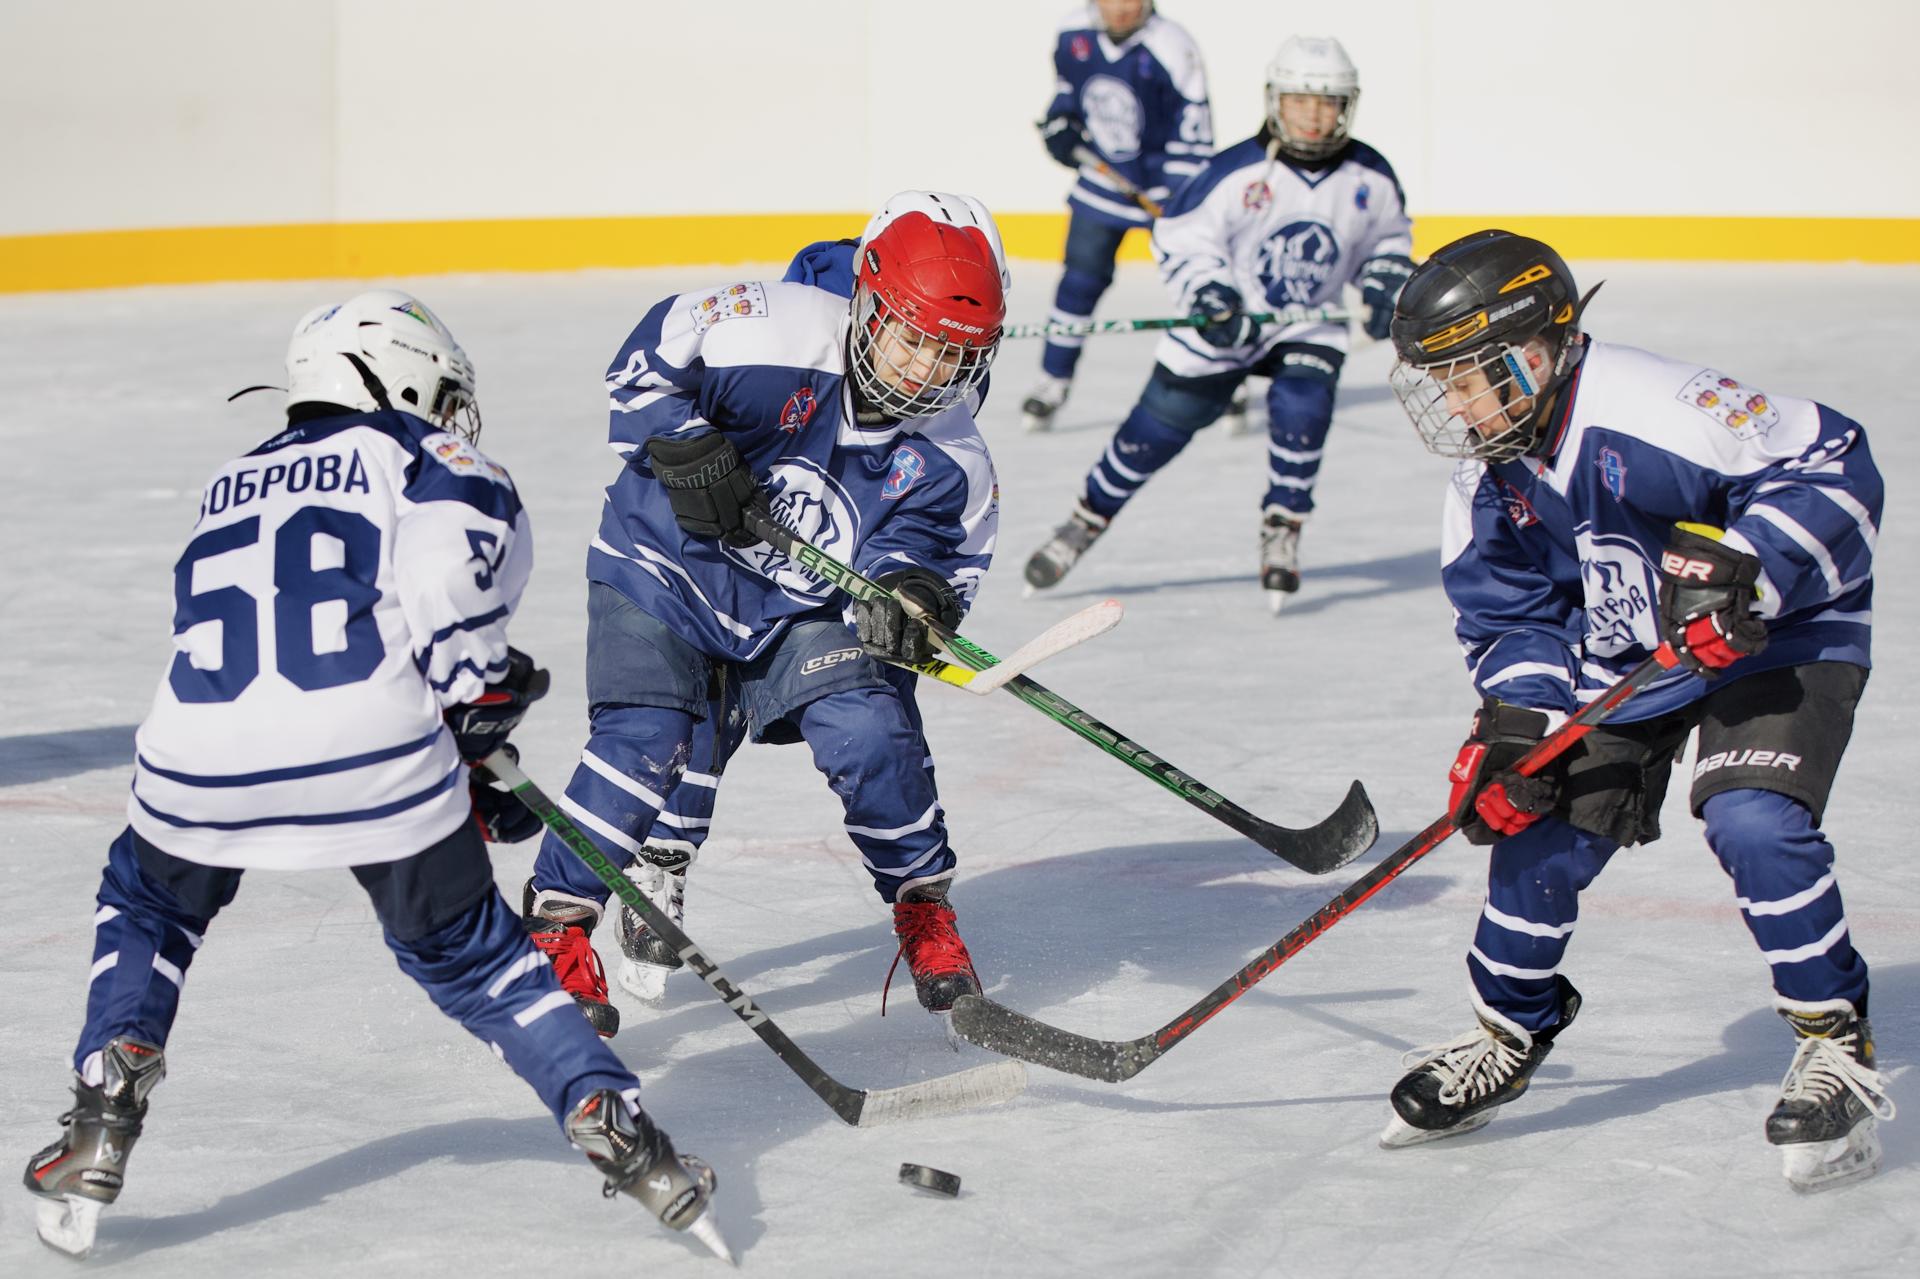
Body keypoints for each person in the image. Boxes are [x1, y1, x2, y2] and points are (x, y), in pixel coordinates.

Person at [20, 291, 725, 1259]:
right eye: (433, 392)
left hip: (197, 754)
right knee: (477, 961)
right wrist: (479, 702)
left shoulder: (230, 477)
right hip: (371, 753)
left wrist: (462, 720)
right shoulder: (422, 456)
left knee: (148, 905)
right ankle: (612, 1117)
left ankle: (108, 1089)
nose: (442, 414)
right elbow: (457, 589)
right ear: (388, 376)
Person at [1378, 229, 1894, 1192]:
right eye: (1439, 380)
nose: (1451, 403)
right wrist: (1518, 727)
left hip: (1773, 635)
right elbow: (1512, 619)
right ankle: (1510, 1029)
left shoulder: (1658, 406)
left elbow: (1835, 462)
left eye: (1464, 376)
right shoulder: (1486, 479)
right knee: (1533, 835)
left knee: (1753, 820)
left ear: (1531, 353)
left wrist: (1751, 572)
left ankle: (1836, 1039)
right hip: (1632, 660)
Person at [520, 202, 1007, 1035]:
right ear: (869, 304)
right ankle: (556, 925)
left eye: (950, 354)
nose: (924, 370)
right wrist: (682, 441)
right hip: (664, 568)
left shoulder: (954, 458)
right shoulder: (772, 331)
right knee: (645, 743)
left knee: (871, 730)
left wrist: (911, 601)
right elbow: (643, 361)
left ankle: (924, 911)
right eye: (910, 337)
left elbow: (933, 559)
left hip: (797, 612)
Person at [1023, 35, 1412, 611]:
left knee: (1304, 409)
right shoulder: (1235, 170)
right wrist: (1209, 293)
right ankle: (1088, 517)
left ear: (1346, 106)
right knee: (1150, 437)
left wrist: (1383, 280)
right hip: (1223, 326)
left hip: (1306, 325)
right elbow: (1180, 236)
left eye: (1327, 102)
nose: (1313, 115)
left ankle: (1284, 525)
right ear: (1275, 101)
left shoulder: (1370, 175)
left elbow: (1389, 241)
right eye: (1300, 100)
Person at [1021, 0, 1212, 433]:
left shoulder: (1173, 46)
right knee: (1078, 285)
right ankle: (1053, 380)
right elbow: (1068, 97)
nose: (1122, 8)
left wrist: (1175, 197)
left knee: (1201, 284)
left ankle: (1228, 378)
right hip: (1103, 185)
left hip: (1165, 191)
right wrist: (1060, 128)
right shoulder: (1073, 33)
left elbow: (1195, 127)